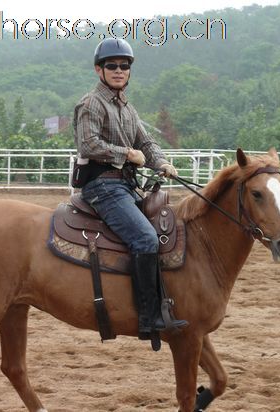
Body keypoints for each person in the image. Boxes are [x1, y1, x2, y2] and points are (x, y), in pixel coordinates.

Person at [73, 38, 187, 340]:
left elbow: (146, 143)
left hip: (124, 186)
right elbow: (88, 144)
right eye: (112, 65)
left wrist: (161, 161)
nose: (119, 70)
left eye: (124, 66)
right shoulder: (91, 104)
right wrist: (128, 155)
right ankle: (148, 317)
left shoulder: (127, 108)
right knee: (145, 238)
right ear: (99, 70)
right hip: (102, 186)